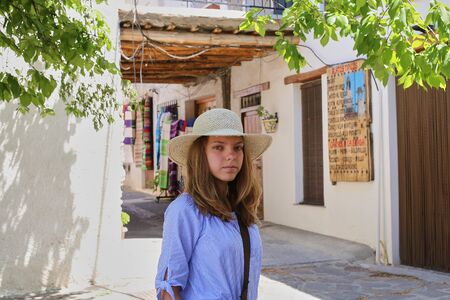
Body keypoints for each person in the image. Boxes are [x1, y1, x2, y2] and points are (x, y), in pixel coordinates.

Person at [155, 108, 272, 300]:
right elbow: (170, 285)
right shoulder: (185, 210)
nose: (231, 155)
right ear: (200, 154)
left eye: (238, 147)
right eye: (219, 147)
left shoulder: (239, 208)